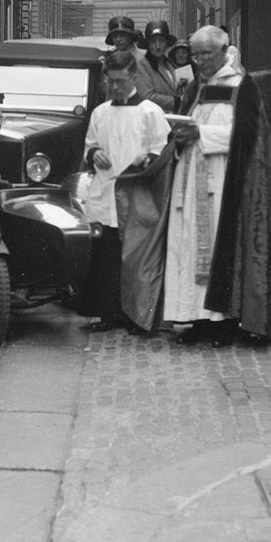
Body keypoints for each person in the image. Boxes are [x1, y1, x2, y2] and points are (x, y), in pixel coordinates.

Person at [163, 25, 271, 347]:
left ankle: (224, 321)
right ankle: (197, 318)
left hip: (224, 180)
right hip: (190, 179)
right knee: (189, 247)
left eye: (206, 54)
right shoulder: (195, 87)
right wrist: (178, 136)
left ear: (223, 51)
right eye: (195, 54)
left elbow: (250, 136)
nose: (200, 60)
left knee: (221, 248)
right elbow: (183, 120)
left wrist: (201, 135)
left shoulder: (242, 86)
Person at [80, 50, 170, 333]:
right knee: (106, 255)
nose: (115, 87)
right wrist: (94, 154)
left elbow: (163, 149)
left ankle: (137, 315)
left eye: (120, 81)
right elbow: (90, 144)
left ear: (133, 77)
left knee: (135, 257)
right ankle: (108, 313)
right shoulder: (100, 112)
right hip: (105, 191)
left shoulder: (150, 113)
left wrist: (149, 158)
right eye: (111, 81)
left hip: (136, 193)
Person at [134, 20, 184, 113]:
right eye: (153, 41)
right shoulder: (142, 65)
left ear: (167, 43)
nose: (157, 46)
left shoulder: (171, 64)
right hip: (154, 120)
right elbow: (147, 97)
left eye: (161, 41)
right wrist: (176, 102)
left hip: (176, 120)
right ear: (148, 44)